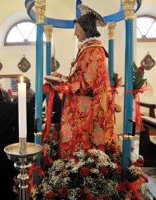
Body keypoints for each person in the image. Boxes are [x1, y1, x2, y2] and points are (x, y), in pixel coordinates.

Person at [48, 6, 117, 159]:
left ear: (86, 29)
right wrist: (63, 77)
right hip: (84, 107)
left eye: (77, 29)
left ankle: (79, 172)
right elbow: (81, 77)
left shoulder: (93, 50)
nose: (74, 33)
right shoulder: (88, 49)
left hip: (87, 112)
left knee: (83, 149)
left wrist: (62, 84)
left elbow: (87, 84)